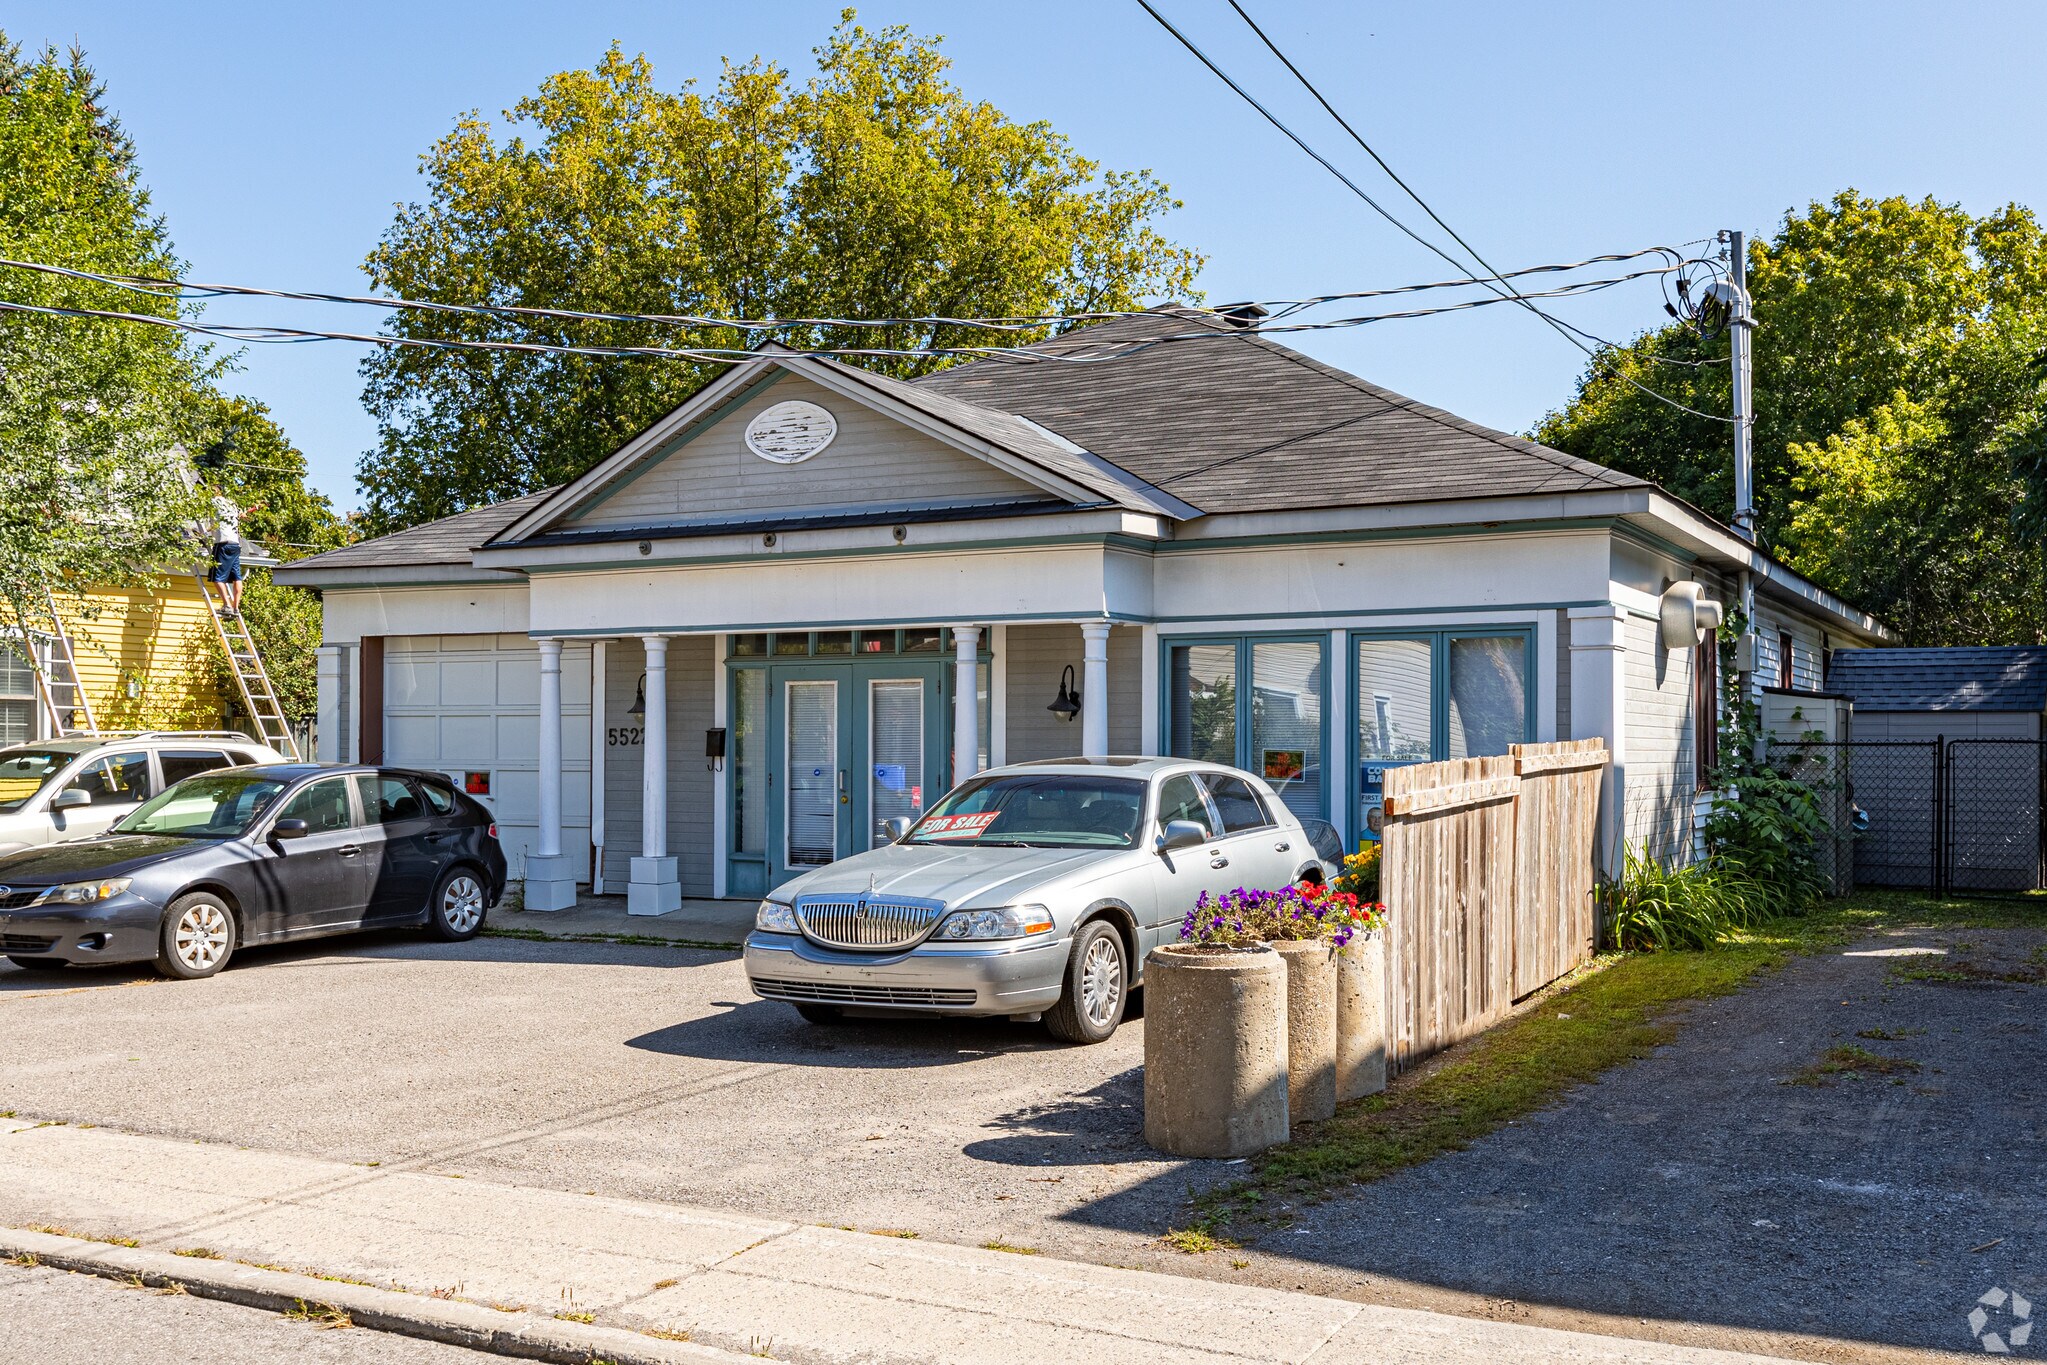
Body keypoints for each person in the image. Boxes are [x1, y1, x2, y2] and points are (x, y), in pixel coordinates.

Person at [206, 488, 264, 619]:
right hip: (235, 544)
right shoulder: (231, 504)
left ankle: (227, 605)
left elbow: (206, 523)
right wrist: (254, 508)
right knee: (237, 577)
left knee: (217, 577)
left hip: (222, 543)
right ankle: (236, 607)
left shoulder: (212, 502)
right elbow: (241, 514)